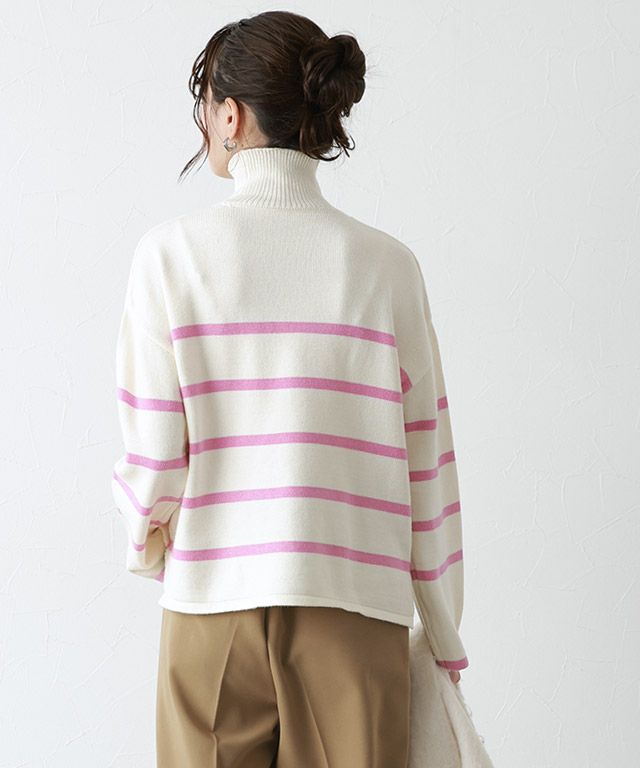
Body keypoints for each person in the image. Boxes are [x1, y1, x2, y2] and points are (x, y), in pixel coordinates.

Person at [111, 10, 468, 768]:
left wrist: (148, 540)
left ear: (231, 116)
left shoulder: (170, 256)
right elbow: (427, 463)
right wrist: (442, 630)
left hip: (213, 599)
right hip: (356, 603)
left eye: (206, 103)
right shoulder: (387, 267)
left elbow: (154, 456)